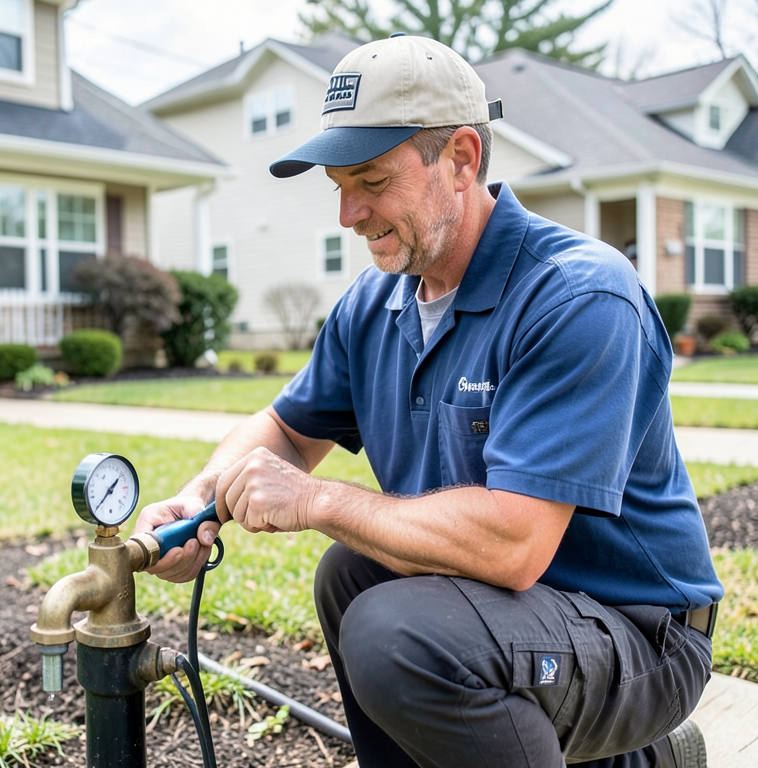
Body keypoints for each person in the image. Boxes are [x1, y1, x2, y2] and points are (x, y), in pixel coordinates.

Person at [135, 34, 722, 768]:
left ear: (462, 159)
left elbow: (514, 544)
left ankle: (632, 746)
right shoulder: (375, 305)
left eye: (372, 181)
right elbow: (284, 430)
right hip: (513, 616)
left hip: (638, 632)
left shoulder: (578, 296)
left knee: (398, 632)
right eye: (338, 185)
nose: (348, 213)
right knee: (353, 576)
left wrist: (316, 501)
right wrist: (197, 505)